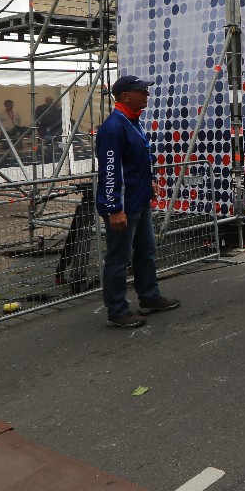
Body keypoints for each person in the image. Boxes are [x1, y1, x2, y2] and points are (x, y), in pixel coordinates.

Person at [96, 75, 179, 328]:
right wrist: (114, 209)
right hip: (124, 205)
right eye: (141, 91)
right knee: (119, 258)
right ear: (125, 96)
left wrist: (149, 182)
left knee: (146, 251)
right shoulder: (114, 127)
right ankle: (117, 311)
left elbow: (136, 161)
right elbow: (111, 171)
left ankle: (149, 297)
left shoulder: (131, 121)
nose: (146, 95)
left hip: (139, 200)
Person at [34, 95, 63, 163]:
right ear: (46, 101)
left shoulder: (55, 109)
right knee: (46, 145)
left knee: (56, 145)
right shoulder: (40, 108)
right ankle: (42, 158)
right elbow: (38, 120)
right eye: (50, 100)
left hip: (54, 130)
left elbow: (61, 117)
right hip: (45, 130)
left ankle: (57, 157)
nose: (51, 101)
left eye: (52, 100)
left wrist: (59, 108)